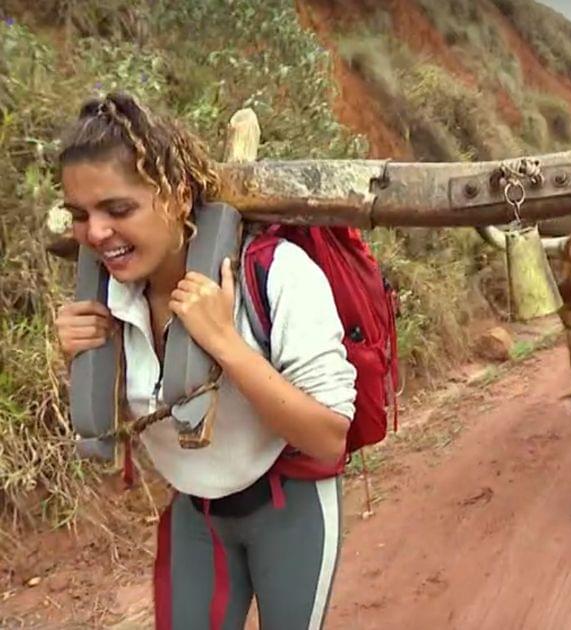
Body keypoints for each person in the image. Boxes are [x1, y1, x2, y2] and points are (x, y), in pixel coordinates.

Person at [52, 92, 357, 629]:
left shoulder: (279, 274)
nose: (96, 233)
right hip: (196, 517)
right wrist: (76, 360)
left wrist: (225, 343)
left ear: (176, 196)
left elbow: (329, 438)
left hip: (291, 507)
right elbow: (130, 416)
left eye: (118, 210)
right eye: (81, 215)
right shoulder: (107, 297)